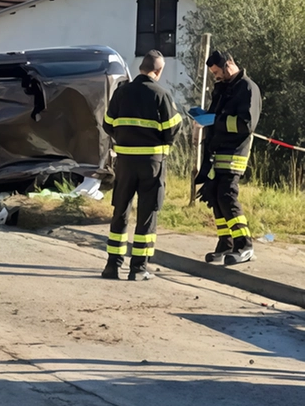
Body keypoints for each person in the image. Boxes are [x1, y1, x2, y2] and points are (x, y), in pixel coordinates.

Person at [101, 50, 182, 281]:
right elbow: (173, 129)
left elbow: (108, 124)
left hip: (125, 163)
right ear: (158, 71)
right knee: (147, 214)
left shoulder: (121, 93)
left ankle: (112, 266)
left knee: (121, 211)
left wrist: (125, 138)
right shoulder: (161, 95)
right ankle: (138, 269)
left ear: (141, 68)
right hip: (152, 165)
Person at [193, 51, 262, 265]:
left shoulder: (247, 88)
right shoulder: (224, 89)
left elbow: (245, 124)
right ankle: (226, 242)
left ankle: (244, 244)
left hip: (234, 154)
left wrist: (215, 120)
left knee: (226, 195)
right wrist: (204, 117)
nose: (216, 77)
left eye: (217, 72)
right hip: (217, 153)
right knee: (214, 195)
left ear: (228, 64)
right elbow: (217, 117)